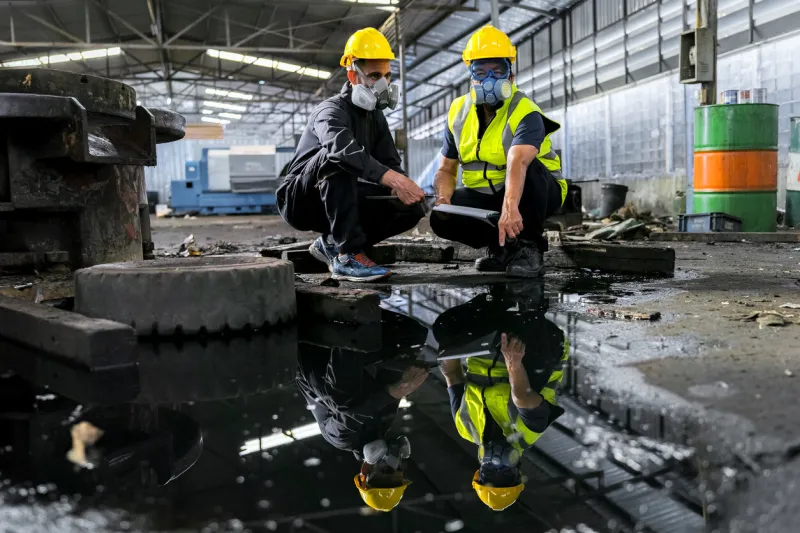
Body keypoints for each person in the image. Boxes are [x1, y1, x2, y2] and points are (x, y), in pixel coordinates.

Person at [277, 27, 426, 282]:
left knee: (409, 207)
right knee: (338, 157)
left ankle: (335, 244)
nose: (384, 84)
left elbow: (390, 162)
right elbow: (340, 149)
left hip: (338, 196)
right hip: (300, 200)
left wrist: (406, 187)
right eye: (375, 75)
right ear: (352, 75)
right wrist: (391, 179)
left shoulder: (375, 117)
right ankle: (347, 255)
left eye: (387, 76)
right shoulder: (330, 110)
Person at [430, 25, 568, 278]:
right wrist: (443, 199)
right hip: (488, 193)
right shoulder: (457, 111)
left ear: (511, 77)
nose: (488, 79)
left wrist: (510, 207)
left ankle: (530, 249)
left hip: (537, 191)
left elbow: (518, 162)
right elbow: (446, 168)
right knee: (441, 218)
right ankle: (501, 249)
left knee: (531, 169)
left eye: (497, 71)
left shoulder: (524, 110)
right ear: (471, 78)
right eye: (480, 72)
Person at [434, 282, 568, 511]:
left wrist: (449, 348)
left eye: (490, 474)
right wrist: (513, 362)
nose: (498, 465)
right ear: (518, 471)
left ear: (479, 471)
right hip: (533, 348)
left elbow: (452, 374)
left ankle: (494, 298)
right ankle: (531, 303)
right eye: (506, 474)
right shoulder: (528, 434)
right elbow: (524, 398)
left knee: (444, 328)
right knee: (532, 382)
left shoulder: (465, 428)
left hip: (487, 346)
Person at [295, 311, 430, 512]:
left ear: (365, 469)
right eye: (399, 469)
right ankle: (361, 315)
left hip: (313, 357)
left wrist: (396, 392)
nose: (395, 462)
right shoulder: (383, 425)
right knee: (412, 336)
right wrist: (407, 369)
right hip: (349, 357)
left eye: (385, 470)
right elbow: (390, 377)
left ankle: (351, 323)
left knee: (344, 404)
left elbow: (349, 416)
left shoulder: (341, 439)